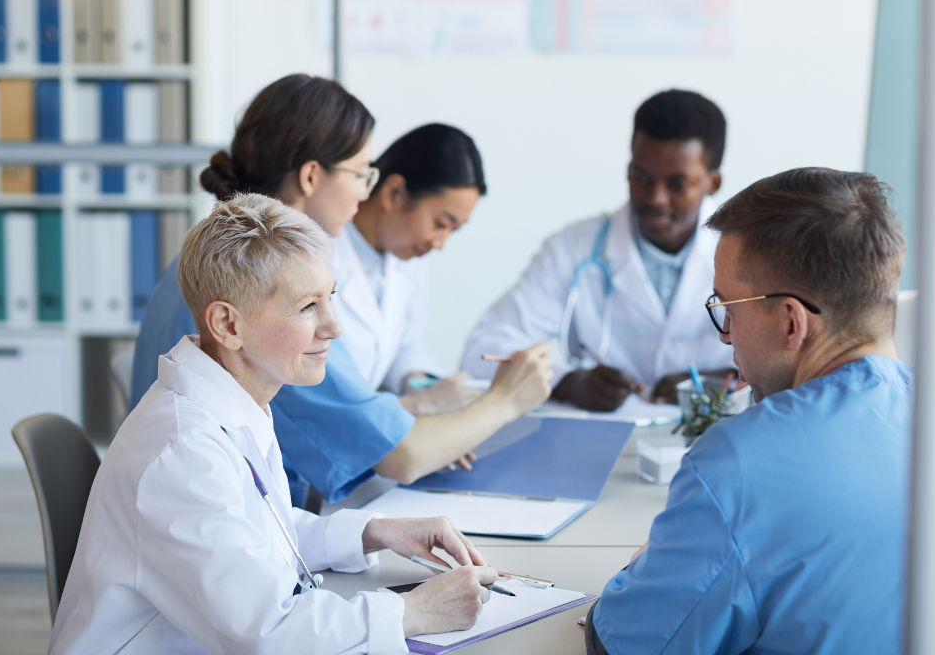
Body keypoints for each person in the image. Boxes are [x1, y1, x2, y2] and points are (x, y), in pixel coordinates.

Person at [584, 168, 935, 654]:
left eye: (729, 308)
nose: (726, 334)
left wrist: (655, 568)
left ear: (792, 322)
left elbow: (622, 645)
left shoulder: (737, 467)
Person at [51, 194, 502, 655]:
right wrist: (415, 612)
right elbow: (267, 633)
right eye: (308, 307)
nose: (334, 327)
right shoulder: (183, 451)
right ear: (228, 325)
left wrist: (374, 532)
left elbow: (253, 533)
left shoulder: (233, 398)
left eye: (331, 298)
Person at [130, 74, 552, 506]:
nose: (362, 194)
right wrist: (506, 399)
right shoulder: (266, 291)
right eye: (361, 175)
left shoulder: (208, 258)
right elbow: (402, 456)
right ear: (311, 177)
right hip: (217, 523)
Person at [461, 89, 735, 411]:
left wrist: (725, 378)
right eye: (641, 177)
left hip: (714, 438)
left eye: (677, 185)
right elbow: (483, 351)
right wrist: (567, 382)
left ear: (712, 183)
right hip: (604, 442)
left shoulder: (751, 252)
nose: (655, 198)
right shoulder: (574, 248)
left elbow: (796, 356)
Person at [335, 123, 487, 414]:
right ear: (394, 192)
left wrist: (423, 385)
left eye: (454, 230)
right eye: (441, 224)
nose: (440, 243)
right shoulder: (319, 250)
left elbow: (405, 344)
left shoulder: (407, 255)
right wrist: (423, 405)